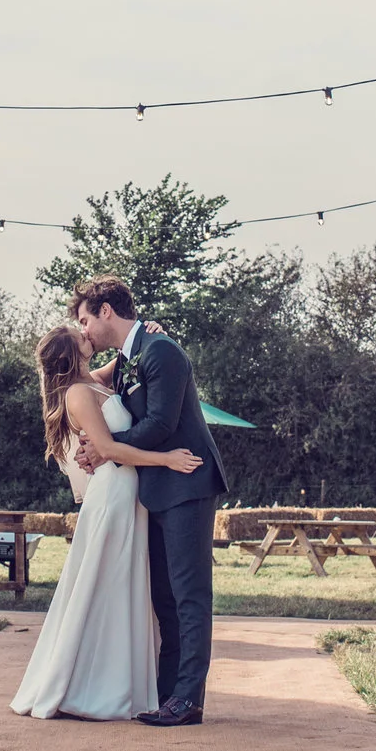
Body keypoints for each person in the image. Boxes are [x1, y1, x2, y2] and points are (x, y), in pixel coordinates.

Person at [10, 323, 203, 720]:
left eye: (86, 323)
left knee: (125, 587)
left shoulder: (93, 380)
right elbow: (111, 448)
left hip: (131, 495)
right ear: (73, 352)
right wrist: (167, 459)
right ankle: (87, 687)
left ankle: (122, 684)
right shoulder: (79, 393)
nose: (86, 332)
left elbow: (130, 359)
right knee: (105, 584)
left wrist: (156, 334)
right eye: (79, 332)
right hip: (113, 494)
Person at [70, 275, 227, 727]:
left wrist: (104, 446)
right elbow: (72, 376)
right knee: (164, 598)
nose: (84, 331)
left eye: (85, 319)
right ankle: (168, 694)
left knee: (189, 594)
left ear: (105, 311)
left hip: (187, 483)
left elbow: (160, 424)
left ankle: (189, 699)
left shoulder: (162, 351)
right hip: (153, 491)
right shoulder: (125, 362)